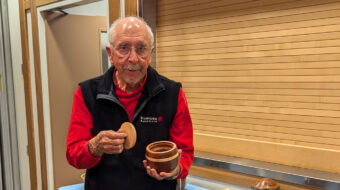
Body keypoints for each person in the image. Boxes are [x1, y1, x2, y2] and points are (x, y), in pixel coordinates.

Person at [66, 16, 194, 190]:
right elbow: (73, 155)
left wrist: (176, 170)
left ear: (150, 54)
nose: (133, 58)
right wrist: (94, 146)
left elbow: (185, 151)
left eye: (141, 49)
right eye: (124, 48)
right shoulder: (87, 93)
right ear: (110, 54)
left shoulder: (172, 93)